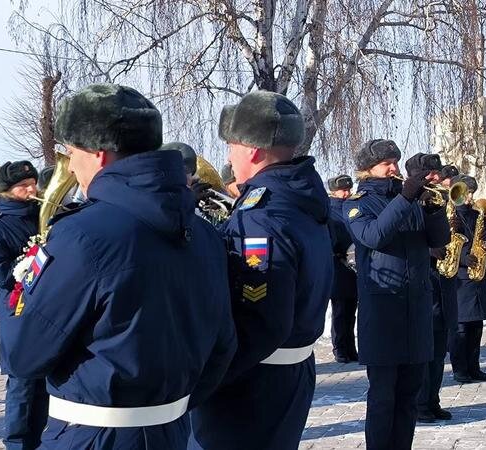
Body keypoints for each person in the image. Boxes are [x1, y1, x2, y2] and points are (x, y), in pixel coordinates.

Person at [1, 83, 237, 449]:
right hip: (173, 432)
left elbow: (24, 354)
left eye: (71, 150)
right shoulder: (204, 232)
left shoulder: (80, 235)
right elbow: (222, 345)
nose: (70, 162)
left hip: (91, 436)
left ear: (97, 153)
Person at [191, 90, 333, 449]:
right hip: (288, 373)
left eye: (232, 146)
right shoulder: (302, 199)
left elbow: (261, 321)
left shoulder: (262, 216)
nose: (229, 156)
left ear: (252, 151)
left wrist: (206, 380)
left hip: (254, 384)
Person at [345, 142, 449, 449]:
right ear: (368, 169)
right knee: (382, 398)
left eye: (395, 162)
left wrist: (433, 210)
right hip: (383, 313)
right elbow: (374, 235)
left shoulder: (412, 199)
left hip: (416, 310)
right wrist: (406, 198)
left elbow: (439, 239)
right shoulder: (357, 203)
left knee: (409, 396)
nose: (393, 168)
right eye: (385, 163)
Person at [0, 160, 47, 450]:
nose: (31, 189)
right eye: (23, 186)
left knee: (42, 384)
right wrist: (39, 262)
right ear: (7, 191)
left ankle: (39, 440)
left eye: (33, 183)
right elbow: (3, 277)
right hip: (18, 315)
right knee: (22, 385)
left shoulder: (48, 217)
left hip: (47, 312)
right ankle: (18, 443)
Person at [409, 154, 457, 423]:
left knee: (439, 352)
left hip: (442, 283)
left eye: (437, 172)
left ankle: (432, 400)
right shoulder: (406, 200)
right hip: (423, 283)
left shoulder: (438, 199)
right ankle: (419, 404)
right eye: (430, 173)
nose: (436, 177)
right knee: (424, 353)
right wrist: (429, 248)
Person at [449, 174, 486, 384]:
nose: (470, 197)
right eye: (466, 192)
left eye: (472, 192)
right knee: (461, 327)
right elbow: (443, 245)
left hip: (478, 275)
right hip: (460, 277)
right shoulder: (449, 215)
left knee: (476, 326)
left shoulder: (477, 214)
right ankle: (460, 369)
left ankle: (474, 367)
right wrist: (462, 258)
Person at [327, 174, 358, 363]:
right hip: (338, 264)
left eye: (348, 189)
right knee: (339, 309)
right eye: (343, 190)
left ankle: (351, 348)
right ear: (334, 191)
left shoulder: (352, 208)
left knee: (351, 309)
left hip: (354, 266)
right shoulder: (329, 211)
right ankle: (339, 348)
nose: (346, 193)